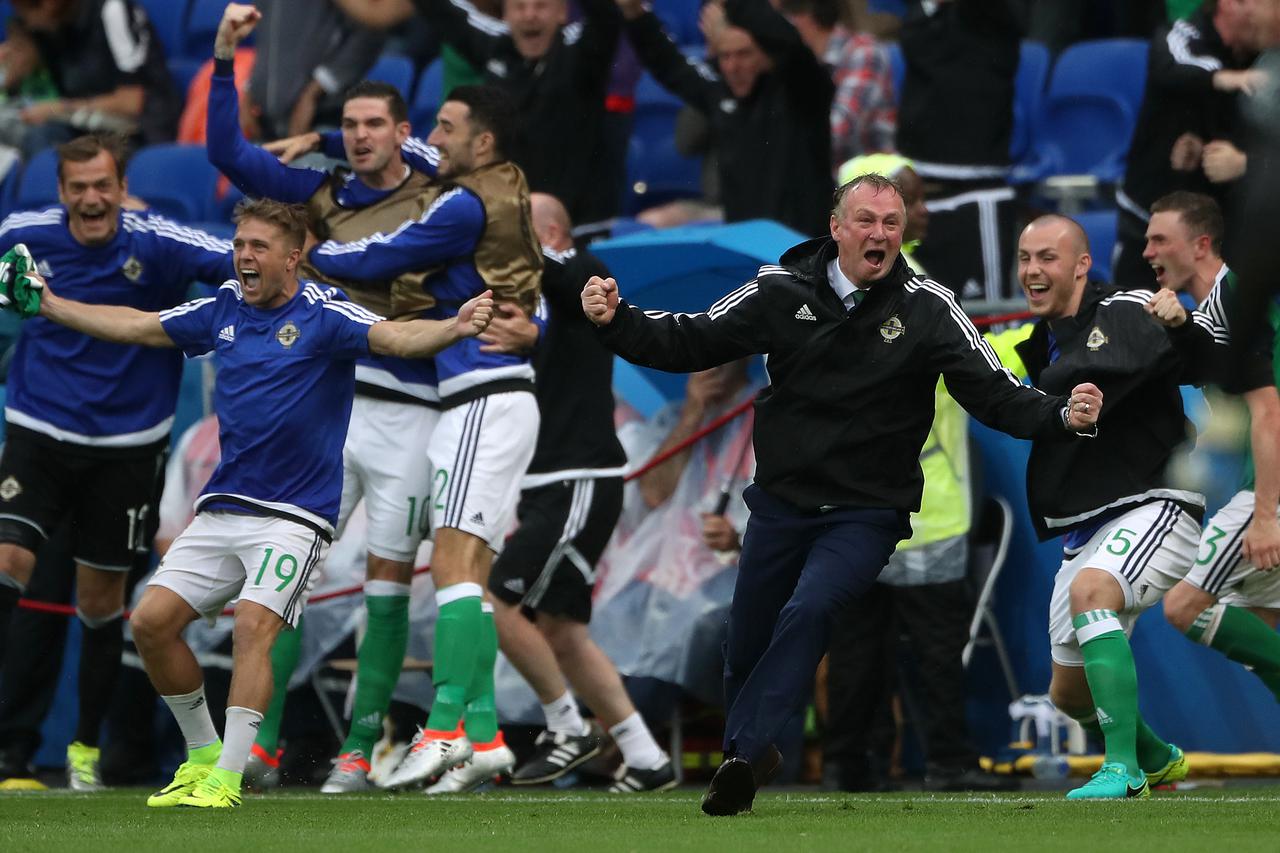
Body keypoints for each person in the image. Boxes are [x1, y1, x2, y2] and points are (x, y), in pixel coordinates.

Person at [581, 173, 1103, 816]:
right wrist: (617, 321)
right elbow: (690, 339)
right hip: (779, 504)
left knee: (811, 609)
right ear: (836, 228)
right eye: (866, 220)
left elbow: (995, 394)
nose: (881, 234)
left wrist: (1061, 417)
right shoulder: (777, 291)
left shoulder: (929, 307)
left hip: (866, 511)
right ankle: (756, 749)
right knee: (743, 645)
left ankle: (741, 759)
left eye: (891, 222)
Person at [0, 197, 494, 808]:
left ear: (293, 258)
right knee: (151, 624)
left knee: (254, 630)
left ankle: (229, 780)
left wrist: (453, 328)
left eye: (258, 247)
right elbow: (138, 325)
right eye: (238, 246)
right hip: (226, 504)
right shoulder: (222, 306)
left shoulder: (325, 313)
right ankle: (205, 755)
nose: (244, 257)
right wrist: (49, 305)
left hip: (296, 515)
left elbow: (393, 338)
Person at [208, 3, 448, 794]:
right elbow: (227, 152)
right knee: (281, 582)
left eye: (375, 124)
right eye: (348, 123)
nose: (359, 135)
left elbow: (464, 162)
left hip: (413, 410)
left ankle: (359, 746)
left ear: (402, 130)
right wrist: (221, 62)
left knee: (386, 585)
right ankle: (265, 743)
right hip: (334, 411)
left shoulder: (443, 197)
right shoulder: (321, 194)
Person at [291, 85, 545, 791]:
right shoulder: (505, 188)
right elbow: (530, 273)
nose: (436, 137)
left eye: (447, 127)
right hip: (482, 395)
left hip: (479, 395)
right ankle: (487, 734)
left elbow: (381, 256)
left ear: (482, 142)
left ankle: (442, 727)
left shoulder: (463, 201)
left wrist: (313, 256)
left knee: (455, 567)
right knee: (467, 572)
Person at [0, 132, 232, 788]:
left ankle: (83, 751)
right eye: (78, 188)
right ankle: (7, 746)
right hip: (38, 429)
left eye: (104, 185)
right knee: (7, 562)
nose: (92, 198)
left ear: (122, 187)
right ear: (62, 192)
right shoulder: (22, 230)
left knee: (101, 602)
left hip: (129, 445)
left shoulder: (159, 239)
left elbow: (241, 262)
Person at [474, 192, 675, 794]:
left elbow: (582, 279)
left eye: (520, 229)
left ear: (553, 233)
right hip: (548, 482)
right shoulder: (534, 305)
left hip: (578, 478)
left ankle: (566, 727)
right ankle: (645, 758)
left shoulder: (586, 276)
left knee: (497, 600)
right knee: (562, 630)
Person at [1010, 213, 1214, 800]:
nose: (1032, 270)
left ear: (1081, 265)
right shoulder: (1039, 343)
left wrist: (1181, 325)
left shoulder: (1127, 305)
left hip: (1158, 503)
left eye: (1048, 257)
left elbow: (1194, 357)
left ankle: (1121, 771)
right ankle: (1156, 757)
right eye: (1025, 258)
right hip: (1086, 526)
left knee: (1092, 591)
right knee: (1069, 695)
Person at [822, 152, 1008, 793]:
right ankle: (948, 763)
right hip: (924, 503)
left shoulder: (825, 286)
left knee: (856, 645)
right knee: (933, 647)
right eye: (915, 198)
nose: (924, 210)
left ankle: (853, 767)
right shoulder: (921, 291)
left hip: (849, 506)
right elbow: (977, 375)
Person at [1140, 192, 1280, 698]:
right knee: (1258, 640)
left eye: (1159, 240)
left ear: (1200, 245)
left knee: (1183, 605)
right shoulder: (1214, 309)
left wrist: (1266, 515)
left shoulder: (1238, 300)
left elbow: (1269, 408)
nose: (1147, 252)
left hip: (1271, 489)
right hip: (1260, 478)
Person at [617, 0, 834, 236]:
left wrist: (735, 4)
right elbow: (669, 65)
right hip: (745, 242)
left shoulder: (802, 92)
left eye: (744, 54)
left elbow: (788, 43)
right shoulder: (720, 95)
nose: (733, 66)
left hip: (802, 246)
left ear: (766, 55)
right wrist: (636, 14)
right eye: (725, 56)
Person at [1112, 0, 1260, 287]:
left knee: (1226, 320)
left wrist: (1243, 162)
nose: (1262, 11)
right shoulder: (1185, 34)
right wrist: (1224, 77)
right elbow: (1168, 63)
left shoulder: (1263, 55)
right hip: (1150, 211)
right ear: (1229, 4)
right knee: (1131, 314)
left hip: (1222, 221)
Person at [895, 0, 1021, 300]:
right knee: (921, 315)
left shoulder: (994, 17)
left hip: (976, 194)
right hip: (921, 193)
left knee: (985, 319)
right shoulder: (925, 18)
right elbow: (912, 40)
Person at [0, 0, 181, 157]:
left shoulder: (112, 9)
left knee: (44, 139)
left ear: (49, 3)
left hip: (136, 131)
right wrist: (12, 75)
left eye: (23, 11)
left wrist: (58, 109)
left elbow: (131, 102)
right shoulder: (50, 28)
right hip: (80, 127)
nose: (25, 21)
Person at [777, 0, 895, 170]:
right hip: (818, 178)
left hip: (866, 183)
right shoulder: (794, 63)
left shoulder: (863, 52)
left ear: (802, 20)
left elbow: (838, 132)